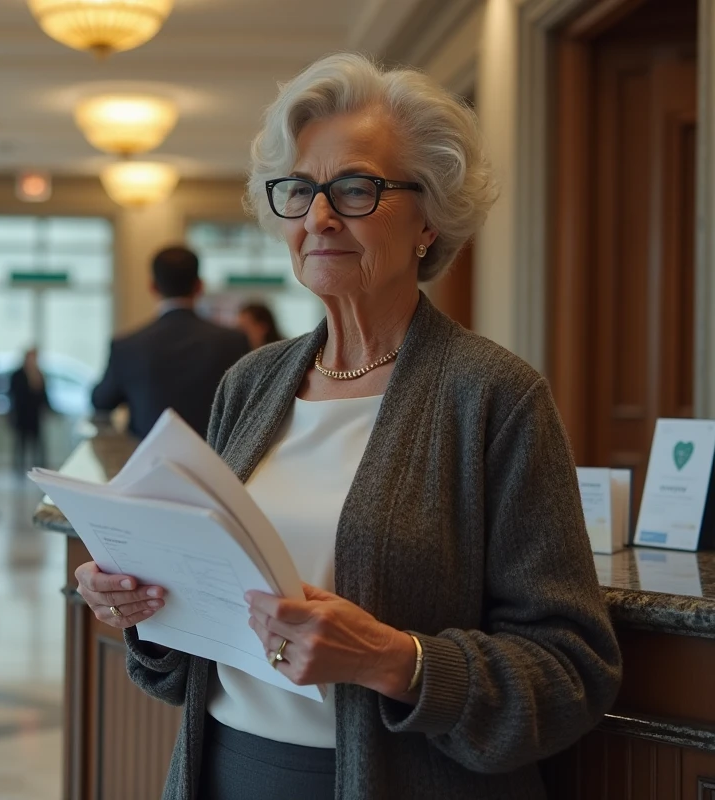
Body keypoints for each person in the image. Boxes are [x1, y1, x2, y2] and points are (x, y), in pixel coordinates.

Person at [73, 53, 622, 799]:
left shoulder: (494, 394)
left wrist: (394, 660)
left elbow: (572, 671)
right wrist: (142, 602)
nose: (319, 217)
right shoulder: (252, 382)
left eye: (355, 189)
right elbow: (196, 657)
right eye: (301, 191)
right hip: (223, 773)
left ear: (429, 219)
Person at [91, 246, 250, 439]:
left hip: (150, 464)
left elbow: (101, 400)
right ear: (199, 286)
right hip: (217, 463)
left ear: (153, 287)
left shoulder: (127, 346)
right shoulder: (233, 342)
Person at [8, 348, 51, 472]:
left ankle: (39, 469)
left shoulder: (39, 374)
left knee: (38, 444)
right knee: (21, 444)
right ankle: (19, 469)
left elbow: (44, 396)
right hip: (22, 415)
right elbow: (14, 396)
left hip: (35, 415)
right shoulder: (17, 374)